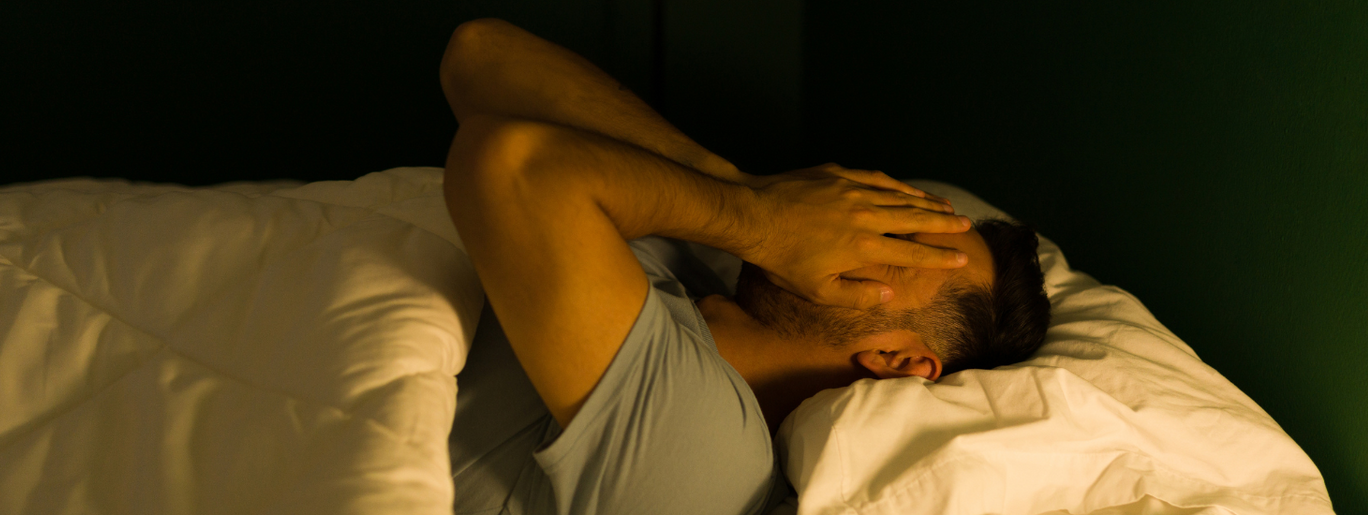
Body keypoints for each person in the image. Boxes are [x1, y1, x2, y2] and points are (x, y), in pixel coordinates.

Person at [441, 18, 1050, 515]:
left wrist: (758, 221)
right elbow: (479, 57)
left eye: (899, 240)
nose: (857, 217)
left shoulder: (709, 450)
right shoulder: (691, 269)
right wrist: (738, 184)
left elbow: (512, 166)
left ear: (897, 361)